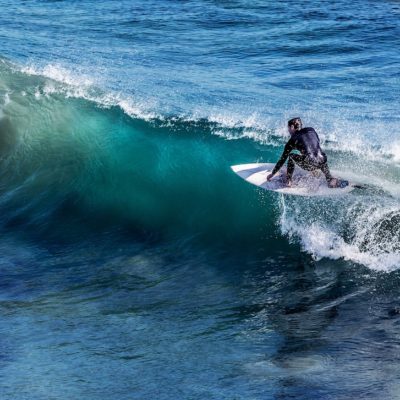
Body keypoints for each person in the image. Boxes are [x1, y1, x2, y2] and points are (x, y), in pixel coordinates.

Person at [267, 117, 338, 188]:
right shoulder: (311, 130)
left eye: (288, 128)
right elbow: (314, 144)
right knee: (317, 154)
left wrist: (272, 174)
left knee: (291, 156)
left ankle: (289, 180)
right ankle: (330, 179)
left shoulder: (292, 140)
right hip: (323, 160)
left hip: (311, 163)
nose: (288, 131)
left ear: (292, 127)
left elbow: (282, 159)